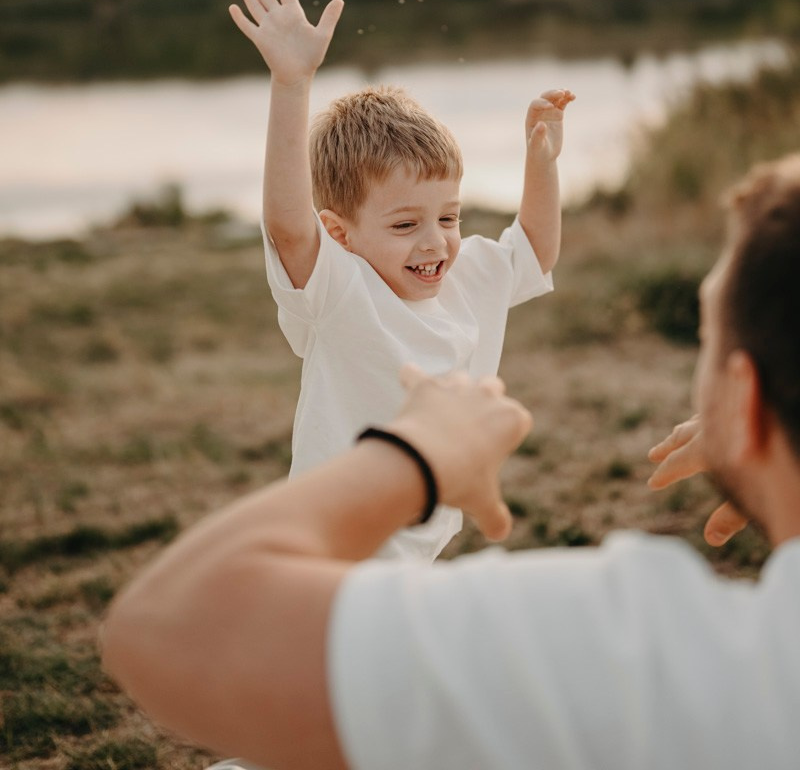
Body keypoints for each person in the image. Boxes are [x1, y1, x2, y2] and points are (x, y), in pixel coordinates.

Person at [102, 152, 800, 769]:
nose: (434, 238)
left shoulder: (630, 647)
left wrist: (418, 454)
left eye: (705, 335)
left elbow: (171, 627)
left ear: (743, 403)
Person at [227, 0, 573, 560]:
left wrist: (541, 163)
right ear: (340, 234)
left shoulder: (464, 276)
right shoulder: (339, 289)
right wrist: (291, 84)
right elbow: (288, 225)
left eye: (449, 218)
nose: (434, 243)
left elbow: (534, 250)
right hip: (337, 539)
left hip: (423, 537)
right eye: (405, 225)